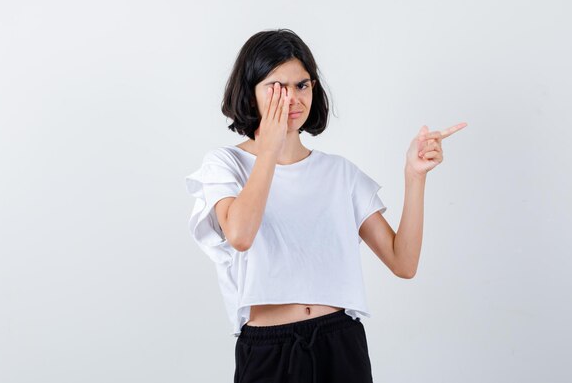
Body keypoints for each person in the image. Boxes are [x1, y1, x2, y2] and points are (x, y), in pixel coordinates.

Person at [184, 28, 467, 383]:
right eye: (276, 87)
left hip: (340, 343)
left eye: (301, 85)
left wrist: (414, 176)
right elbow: (240, 235)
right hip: (269, 351)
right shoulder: (224, 165)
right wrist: (270, 147)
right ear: (250, 92)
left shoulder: (339, 173)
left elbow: (403, 262)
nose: (291, 98)